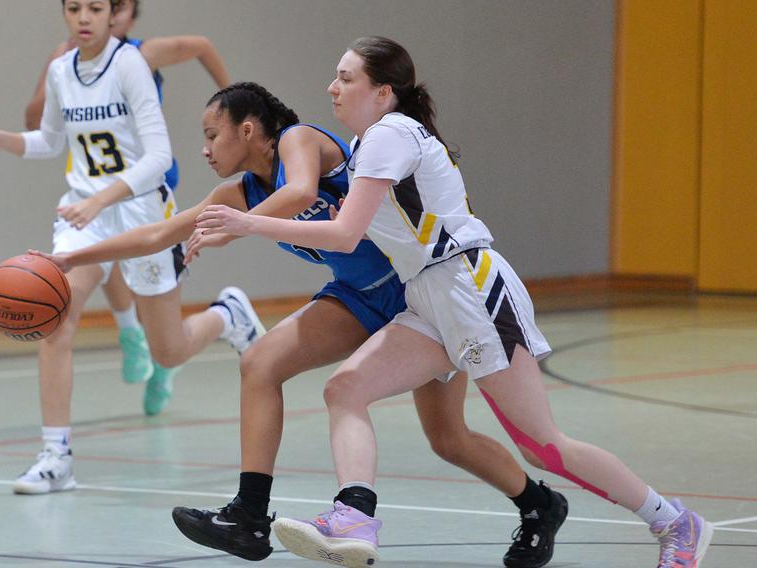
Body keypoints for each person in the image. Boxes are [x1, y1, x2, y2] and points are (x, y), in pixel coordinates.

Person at [193, 37, 714, 568]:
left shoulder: (389, 135)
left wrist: (245, 224)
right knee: (346, 388)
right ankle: (354, 515)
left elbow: (346, 234)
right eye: (335, 75)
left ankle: (673, 521)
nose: (333, 87)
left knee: (541, 446)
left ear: (383, 92)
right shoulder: (372, 145)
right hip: (427, 297)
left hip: (470, 289)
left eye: (346, 78)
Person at [32, 81, 568, 568]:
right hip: (356, 297)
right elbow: (157, 234)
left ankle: (540, 505)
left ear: (248, 129)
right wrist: (70, 260)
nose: (204, 149)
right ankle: (249, 516)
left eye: (211, 135)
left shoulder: (299, 140)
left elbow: (304, 194)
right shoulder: (240, 193)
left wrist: (244, 225)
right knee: (259, 362)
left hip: (419, 297)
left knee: (448, 439)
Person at [0, 0, 262, 496]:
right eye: (73, 7)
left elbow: (159, 156)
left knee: (168, 351)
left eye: (95, 8)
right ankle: (56, 457)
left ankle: (229, 315)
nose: (83, 17)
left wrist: (104, 198)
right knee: (57, 319)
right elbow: (51, 142)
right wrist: (1, 139)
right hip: (83, 213)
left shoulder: (130, 65)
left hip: (141, 212)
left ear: (113, 13)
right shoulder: (60, 70)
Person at [25, 0, 231, 409]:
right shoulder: (67, 64)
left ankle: (161, 354)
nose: (91, 17)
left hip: (144, 190)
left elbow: (203, 45)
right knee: (96, 262)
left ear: (124, 14)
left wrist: (231, 108)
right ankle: (130, 332)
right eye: (77, 7)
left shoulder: (144, 54)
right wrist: (51, 76)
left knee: (145, 298)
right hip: (96, 187)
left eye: (105, 9)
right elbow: (36, 124)